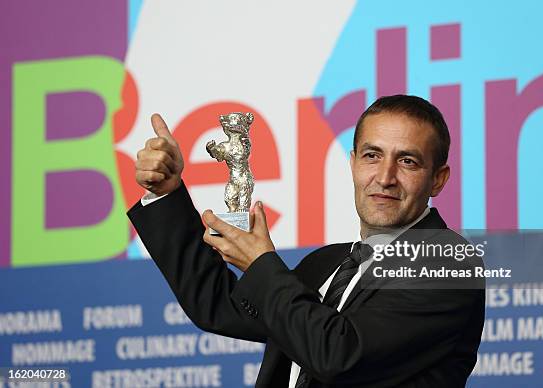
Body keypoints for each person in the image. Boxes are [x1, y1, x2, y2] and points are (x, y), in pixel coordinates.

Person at [128, 95, 485, 387]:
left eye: (407, 161)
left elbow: (338, 354)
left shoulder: (447, 263)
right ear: (353, 163)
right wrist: (167, 194)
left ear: (438, 180)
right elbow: (220, 307)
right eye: (372, 156)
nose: (385, 177)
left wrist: (261, 265)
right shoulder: (326, 264)